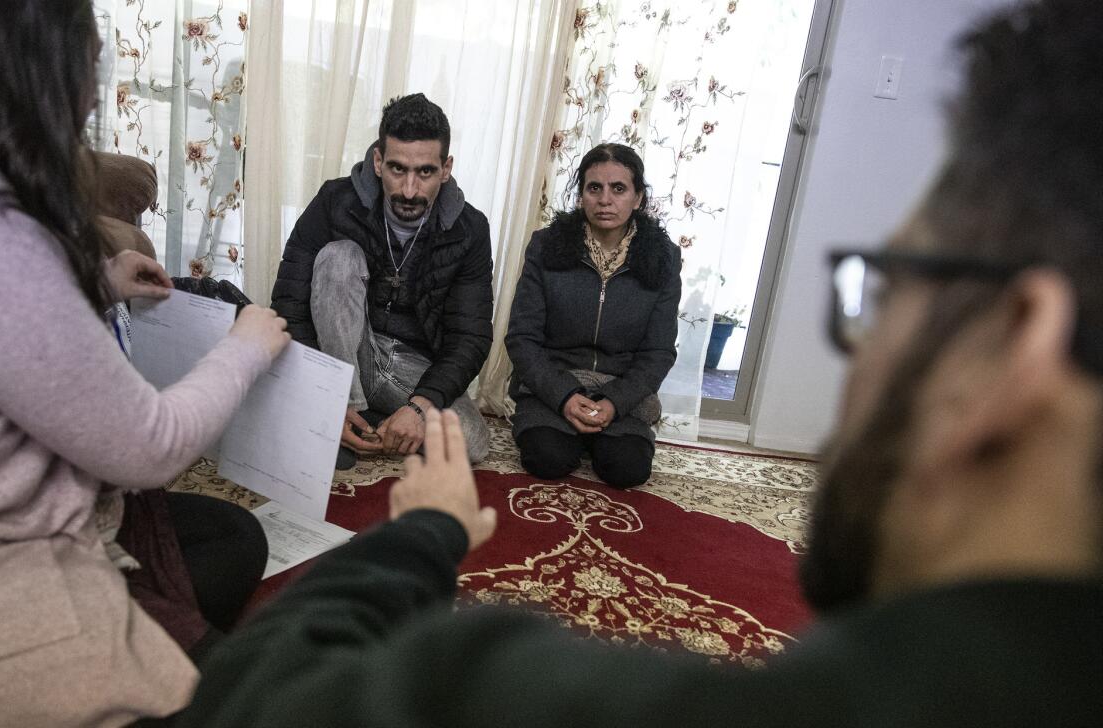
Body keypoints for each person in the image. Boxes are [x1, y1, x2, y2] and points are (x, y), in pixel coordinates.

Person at [174, 1, 1103, 725]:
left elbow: (256, 696)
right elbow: (422, 319)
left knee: (492, 438)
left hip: (449, 379)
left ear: (1014, 348)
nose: (856, 350)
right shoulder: (430, 221)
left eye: (883, 292)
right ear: (378, 162)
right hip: (412, 367)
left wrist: (421, 534)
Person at [0, 2, 290, 725]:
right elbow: (149, 447)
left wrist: (100, 283)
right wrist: (246, 348)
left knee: (235, 538)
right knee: (245, 693)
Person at [272, 93, 494, 467]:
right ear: (377, 161)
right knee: (338, 258)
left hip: (412, 366)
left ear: (446, 168)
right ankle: (344, 410)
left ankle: (373, 418)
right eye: (397, 169)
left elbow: (470, 337)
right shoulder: (334, 200)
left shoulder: (470, 228)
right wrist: (324, 394)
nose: (409, 190)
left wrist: (420, 407)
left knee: (471, 444)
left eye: (424, 172)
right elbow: (289, 302)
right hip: (342, 353)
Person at [506, 143, 681, 488]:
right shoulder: (546, 246)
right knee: (548, 459)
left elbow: (658, 352)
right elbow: (522, 338)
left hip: (622, 390)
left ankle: (600, 433)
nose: (605, 200)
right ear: (581, 195)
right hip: (554, 383)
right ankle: (566, 429)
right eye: (594, 188)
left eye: (619, 189)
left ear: (638, 198)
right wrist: (565, 396)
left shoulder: (664, 258)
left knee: (627, 470)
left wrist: (615, 403)